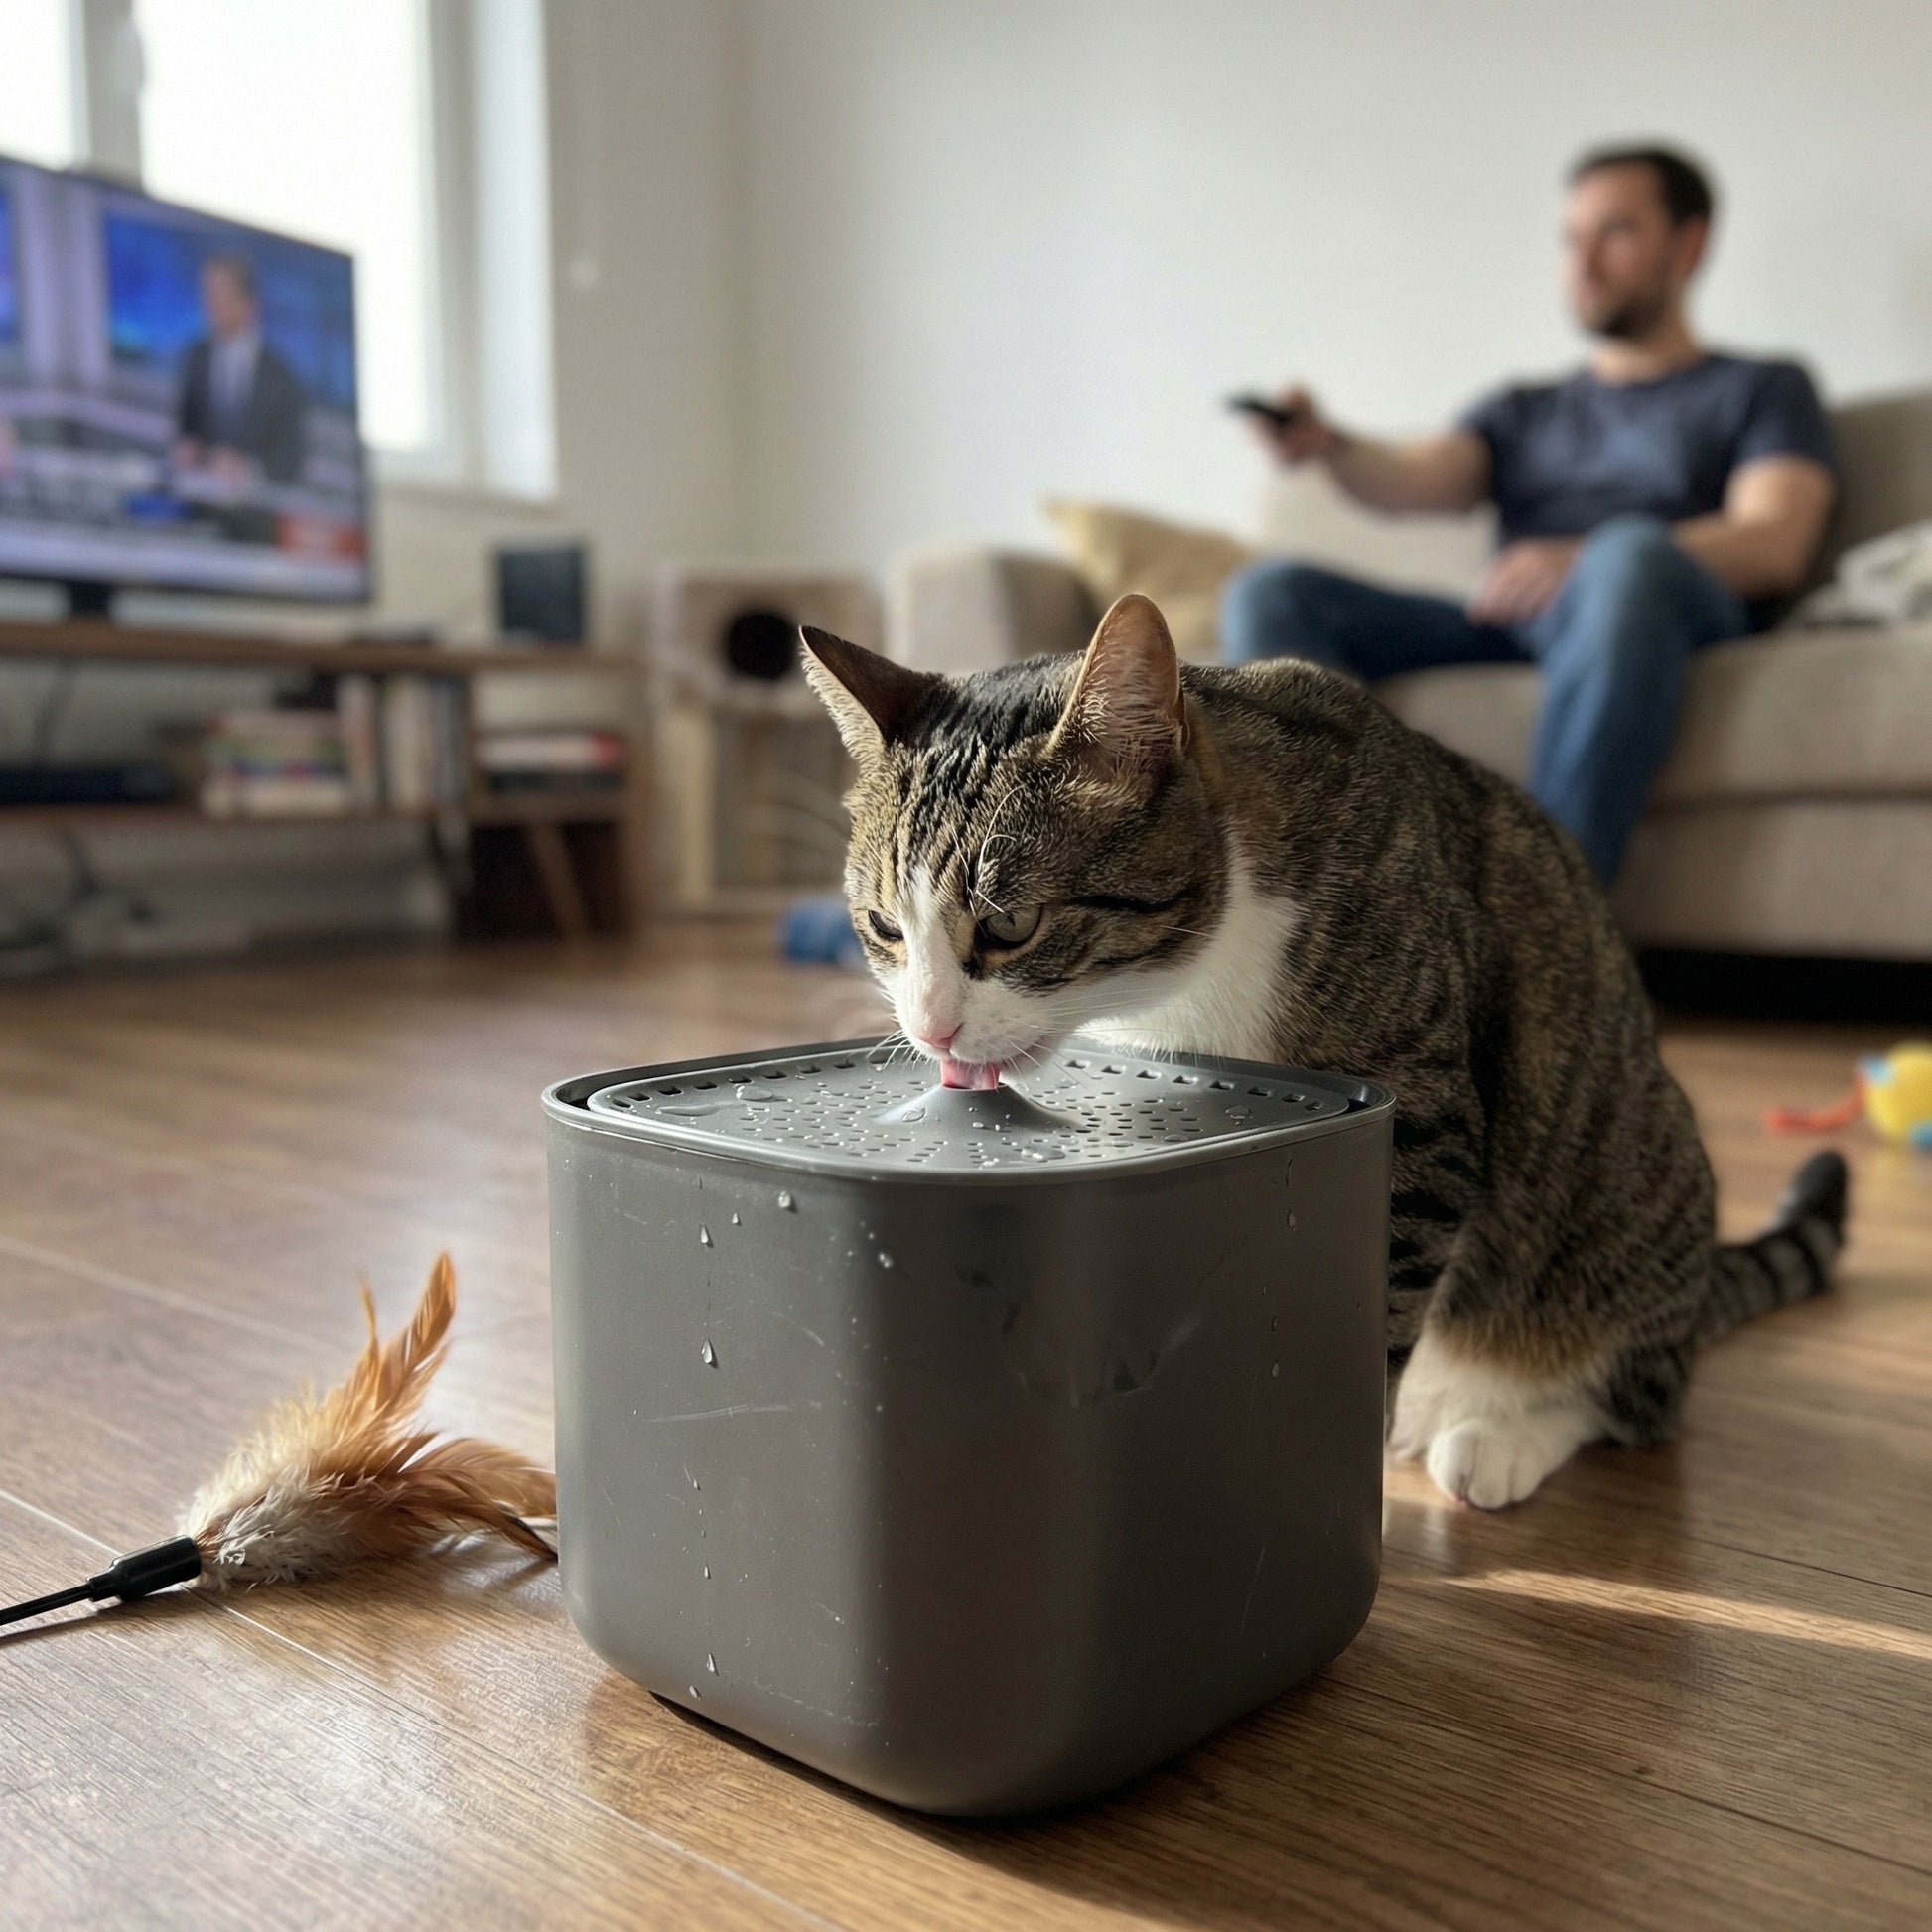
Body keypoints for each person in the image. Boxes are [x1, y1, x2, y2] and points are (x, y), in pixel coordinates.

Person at [1220, 144, 1838, 883]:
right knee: (1271, 592)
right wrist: (1331, 445)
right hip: (1521, 621)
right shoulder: (1523, 408)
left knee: (1628, 558)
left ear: (1688, 244)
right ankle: (1342, 905)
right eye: (1571, 239)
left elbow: (1774, 541)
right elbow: (1418, 479)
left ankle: (1547, 921)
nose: (1583, 261)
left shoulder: (1762, 387)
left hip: (1659, 610)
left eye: (1616, 233)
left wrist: (1584, 560)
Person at [173, 253, 307, 485]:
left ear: (247, 304)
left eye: (219, 296)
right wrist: (188, 451)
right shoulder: (196, 357)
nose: (210, 305)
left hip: (253, 512)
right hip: (199, 502)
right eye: (207, 295)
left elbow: (292, 457)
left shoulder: (280, 375)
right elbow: (185, 430)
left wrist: (247, 468)